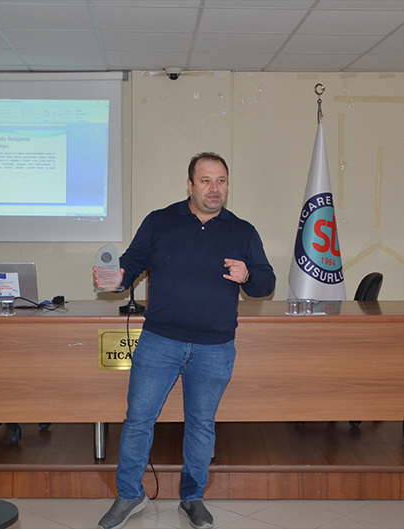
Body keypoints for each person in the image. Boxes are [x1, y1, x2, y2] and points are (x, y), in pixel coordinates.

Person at [94, 152, 275, 529]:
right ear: (190, 185)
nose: (215, 188)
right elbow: (131, 264)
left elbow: (266, 283)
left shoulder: (242, 231)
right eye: (206, 181)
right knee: (138, 420)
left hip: (215, 347)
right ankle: (129, 494)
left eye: (221, 181)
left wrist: (248, 276)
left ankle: (192, 498)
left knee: (201, 424)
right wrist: (115, 278)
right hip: (160, 341)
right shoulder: (160, 221)